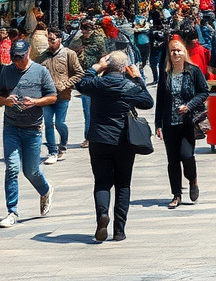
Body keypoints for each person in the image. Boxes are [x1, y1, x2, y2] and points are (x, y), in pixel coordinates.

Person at [76, 51, 154, 242]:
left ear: (107, 66)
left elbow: (80, 84)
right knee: (123, 183)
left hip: (99, 139)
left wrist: (95, 68)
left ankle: (103, 215)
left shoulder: (97, 83)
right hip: (123, 141)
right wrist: (137, 78)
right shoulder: (129, 85)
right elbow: (147, 102)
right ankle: (119, 230)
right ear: (124, 67)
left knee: (102, 182)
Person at [0, 38, 57, 228]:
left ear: (28, 53)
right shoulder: (7, 71)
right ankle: (12, 211)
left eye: (20, 57)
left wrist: (36, 102)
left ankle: (45, 190)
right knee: (12, 168)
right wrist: (7, 101)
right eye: (14, 58)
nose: (17, 61)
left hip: (33, 128)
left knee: (31, 171)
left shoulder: (41, 71)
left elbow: (53, 97)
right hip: (11, 127)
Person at [154, 37, 209, 209]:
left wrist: (189, 105)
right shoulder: (165, 74)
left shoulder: (193, 71)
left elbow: (204, 92)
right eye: (172, 51)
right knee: (172, 160)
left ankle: (193, 180)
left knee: (186, 156)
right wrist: (158, 124)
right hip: (170, 123)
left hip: (187, 123)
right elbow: (160, 99)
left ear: (184, 52)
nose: (176, 53)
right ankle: (176, 194)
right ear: (168, 54)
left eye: (178, 50)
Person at [37, 28, 84, 165]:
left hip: (62, 95)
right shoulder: (43, 56)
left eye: (53, 39)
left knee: (59, 122)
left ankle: (63, 144)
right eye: (49, 40)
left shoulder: (69, 54)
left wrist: (66, 84)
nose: (50, 43)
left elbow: (79, 73)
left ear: (60, 39)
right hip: (47, 95)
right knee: (48, 123)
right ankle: (52, 151)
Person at [69, 19, 109, 148]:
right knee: (87, 109)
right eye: (83, 29)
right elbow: (70, 51)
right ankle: (88, 137)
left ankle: (99, 135)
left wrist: (100, 71)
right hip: (83, 77)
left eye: (87, 29)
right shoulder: (78, 40)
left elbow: (103, 57)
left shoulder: (98, 40)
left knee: (97, 108)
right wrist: (77, 50)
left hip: (96, 77)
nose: (85, 32)